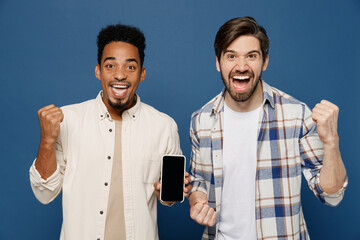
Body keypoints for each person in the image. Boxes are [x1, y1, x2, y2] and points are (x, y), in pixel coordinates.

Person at [188, 16, 348, 240]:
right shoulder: (201, 120)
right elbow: (198, 182)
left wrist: (332, 142)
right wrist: (196, 201)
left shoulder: (297, 115)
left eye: (251, 56)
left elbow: (332, 195)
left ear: (264, 62)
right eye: (231, 56)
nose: (241, 66)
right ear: (218, 62)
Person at [29, 24, 191, 240]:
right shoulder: (68, 120)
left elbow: (168, 195)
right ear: (98, 71)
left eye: (130, 67)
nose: (120, 75)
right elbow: (44, 193)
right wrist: (47, 140)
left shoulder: (164, 126)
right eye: (110, 65)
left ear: (142, 74)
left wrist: (168, 195)